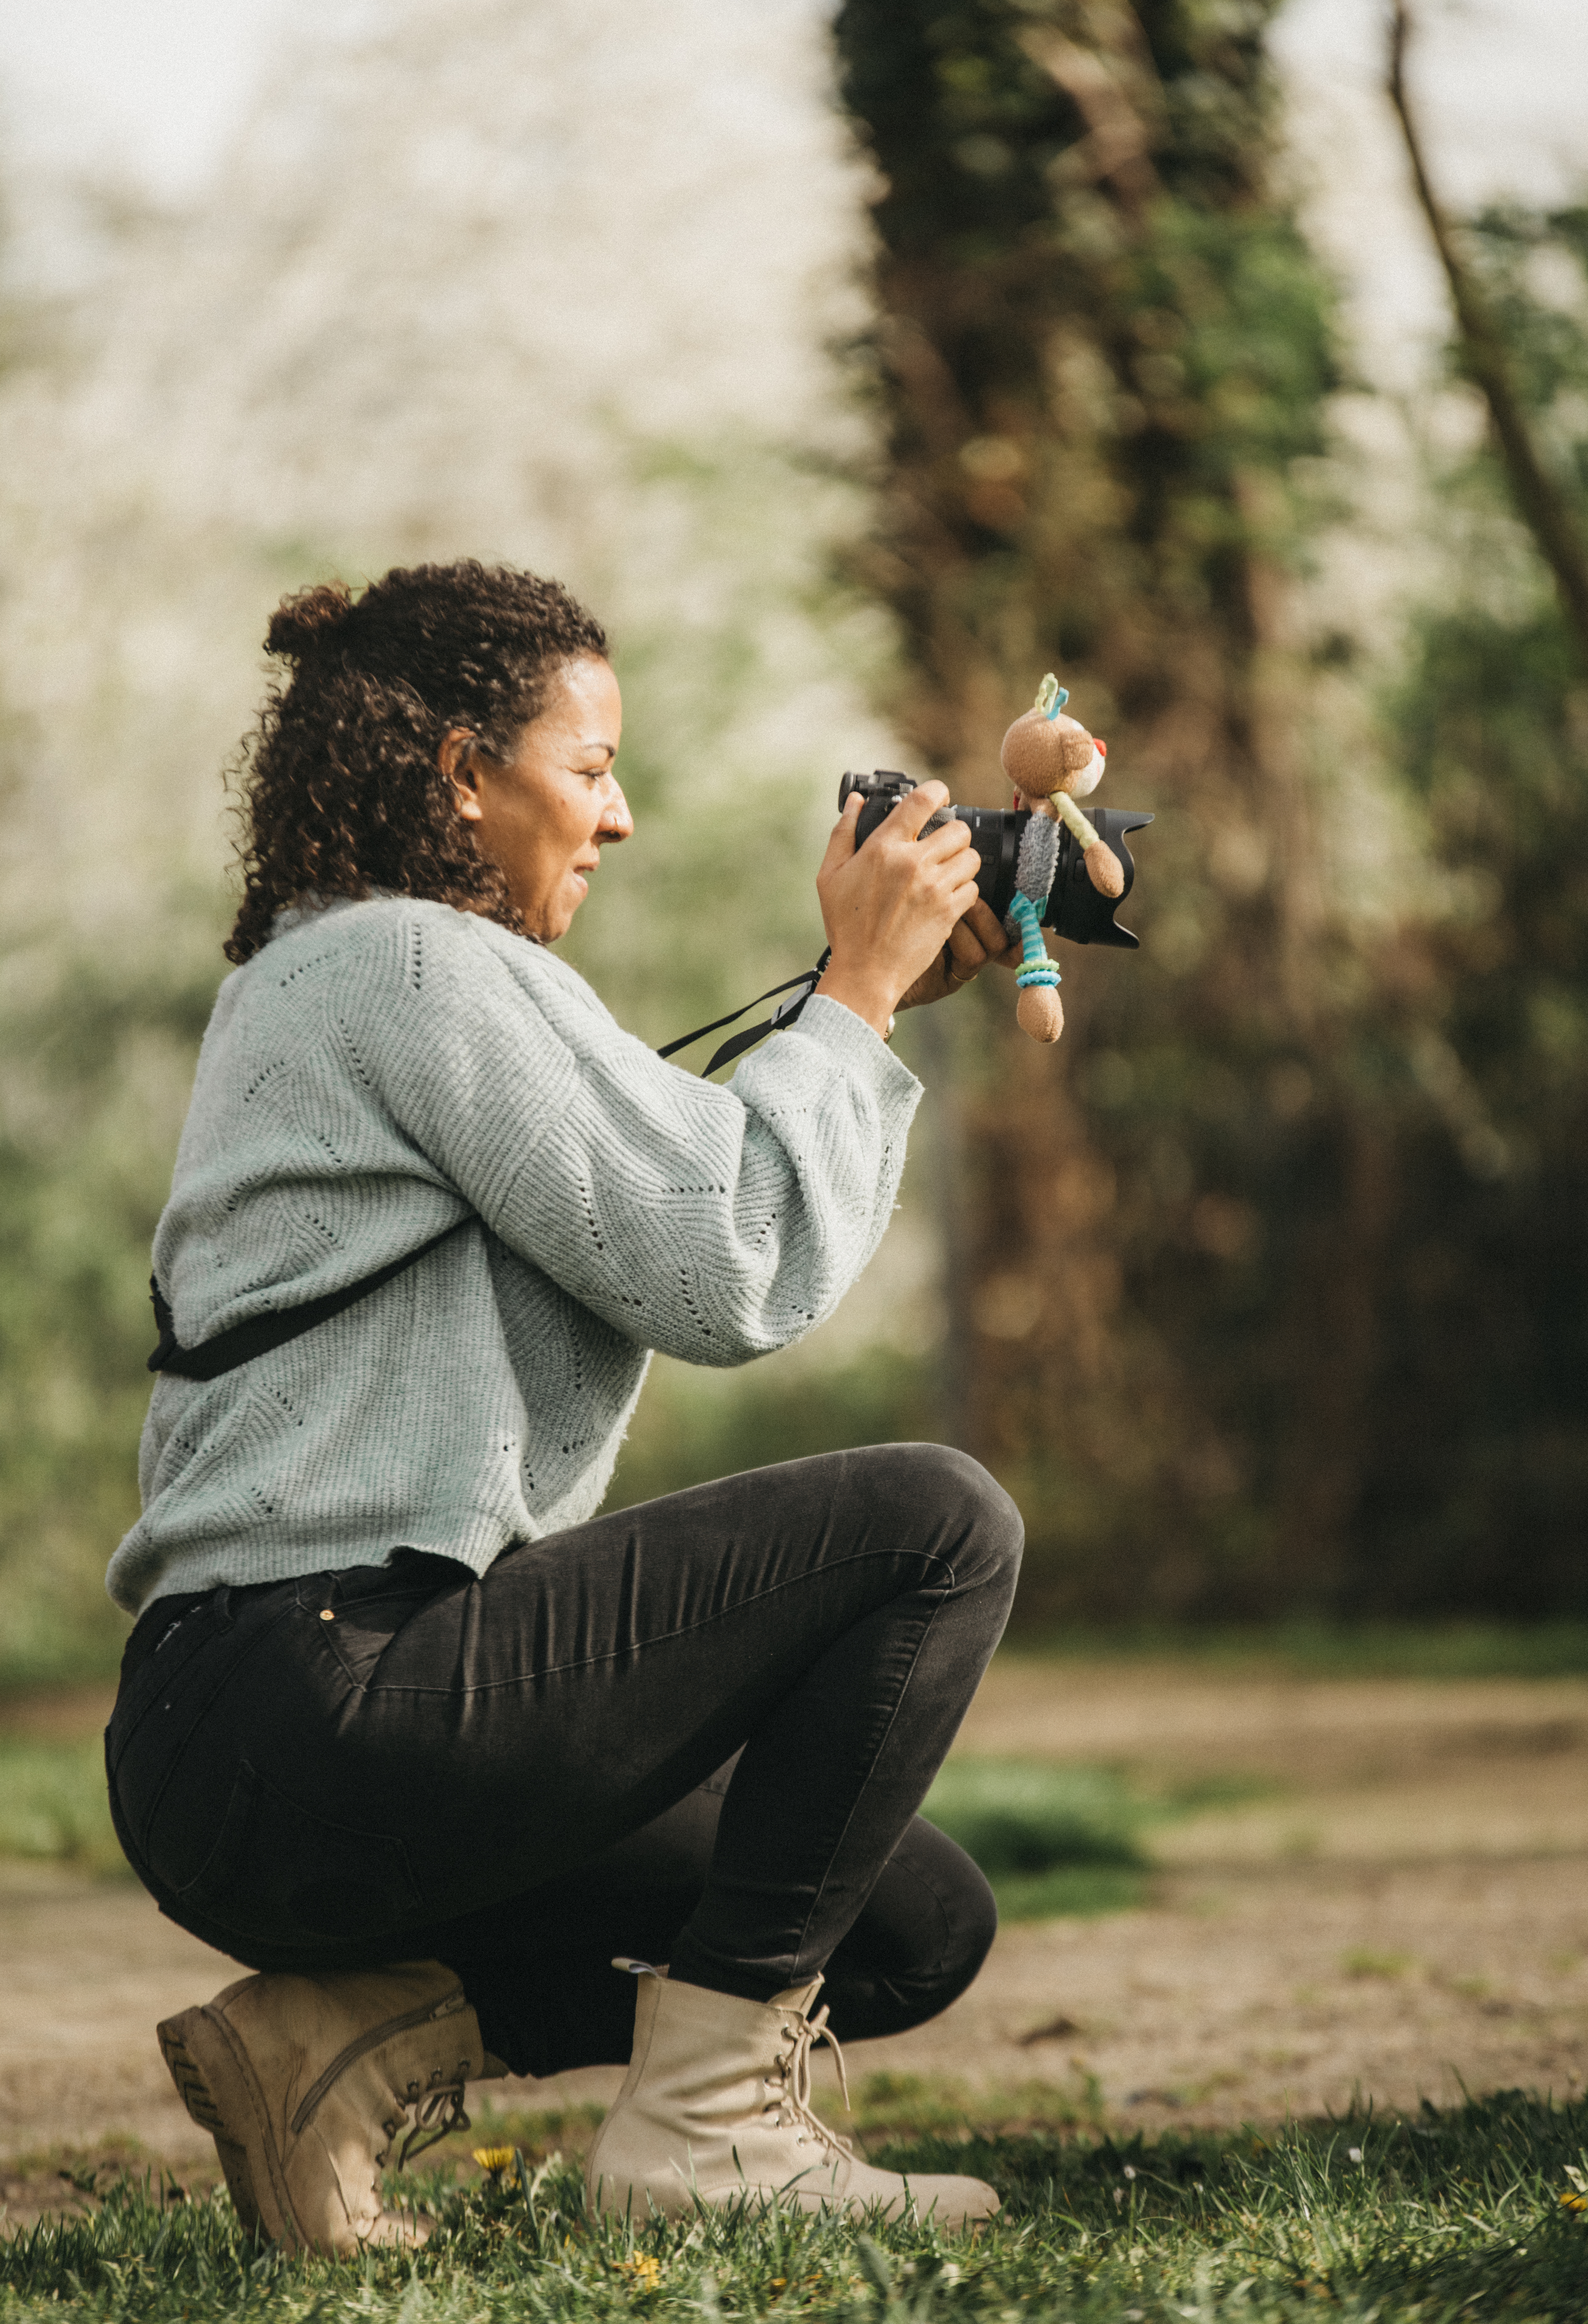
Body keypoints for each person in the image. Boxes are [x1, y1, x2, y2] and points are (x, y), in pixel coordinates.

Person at [104, 561, 1025, 2255]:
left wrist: (868, 1003)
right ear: (464, 774)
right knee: (938, 1527)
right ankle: (706, 2130)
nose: (620, 817)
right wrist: (854, 998)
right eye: (591, 768)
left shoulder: (339, 974)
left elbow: (686, 1185)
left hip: (246, 1738)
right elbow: (725, 1263)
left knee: (903, 1923)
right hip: (324, 1690)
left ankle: (338, 2049)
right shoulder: (413, 962)